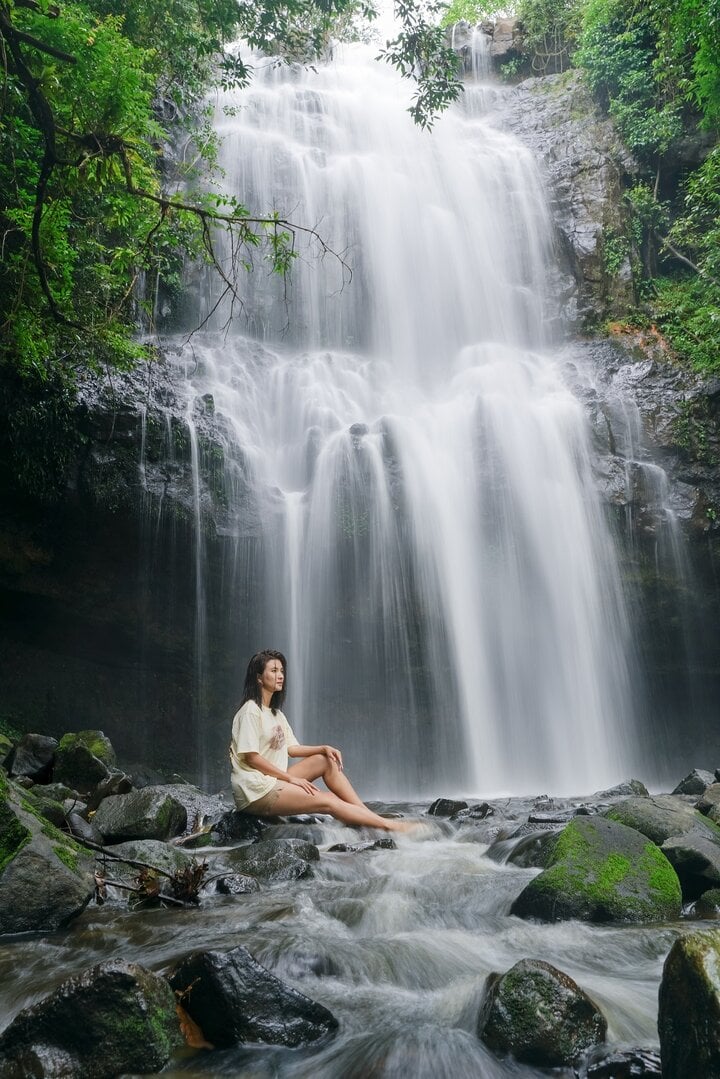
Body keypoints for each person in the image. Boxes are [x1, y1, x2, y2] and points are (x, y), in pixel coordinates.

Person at [229, 649, 413, 832]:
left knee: (324, 760)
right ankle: (391, 827)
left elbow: (292, 748)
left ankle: (365, 814)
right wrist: (291, 778)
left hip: (272, 782)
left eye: (282, 671)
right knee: (328, 800)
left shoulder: (277, 714)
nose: (280, 676)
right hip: (255, 791)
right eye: (274, 671)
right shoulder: (250, 711)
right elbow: (252, 757)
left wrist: (323, 748)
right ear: (259, 678)